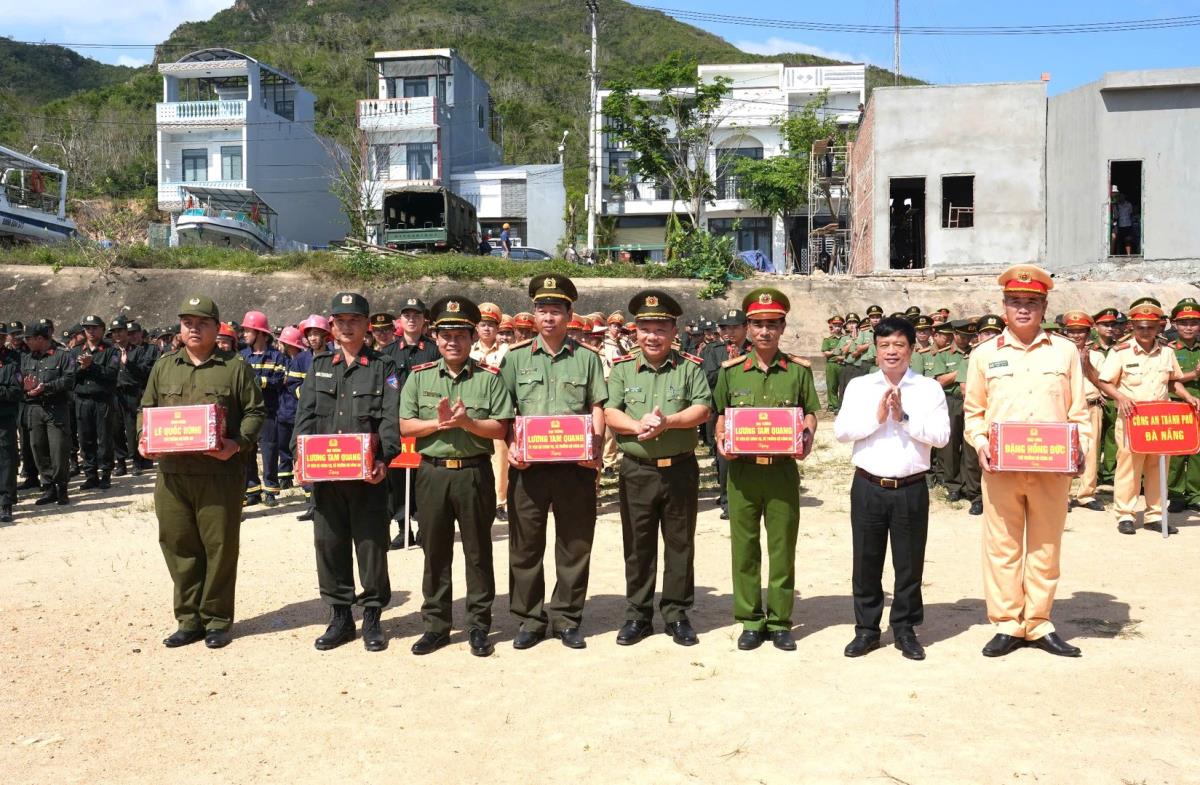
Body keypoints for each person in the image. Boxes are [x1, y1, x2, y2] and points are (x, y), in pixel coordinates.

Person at [964, 264, 1092, 658]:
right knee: (1002, 547)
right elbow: (974, 411)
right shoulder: (985, 354)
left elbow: (1079, 412)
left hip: (1052, 469)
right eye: (1016, 301)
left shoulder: (1065, 352)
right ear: (1003, 306)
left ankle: (1038, 622)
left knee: (1045, 546)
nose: (1023, 308)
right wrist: (981, 442)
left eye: (1032, 302)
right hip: (1001, 469)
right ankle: (1007, 622)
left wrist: (1081, 448)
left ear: (1044, 307)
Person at [138, 295, 266, 649]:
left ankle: (216, 620)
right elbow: (146, 408)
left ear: (216, 327)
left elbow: (256, 412)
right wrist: (143, 439)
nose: (194, 329)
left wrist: (237, 443)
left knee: (219, 547)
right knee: (178, 545)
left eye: (202, 323)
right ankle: (188, 620)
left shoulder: (235, 368)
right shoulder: (164, 367)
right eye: (188, 323)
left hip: (218, 474)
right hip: (173, 474)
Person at [399, 296, 514, 657]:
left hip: (473, 473)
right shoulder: (419, 377)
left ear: (472, 337)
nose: (453, 342)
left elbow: (500, 428)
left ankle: (479, 625)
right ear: (435, 337)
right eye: (446, 335)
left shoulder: (488, 379)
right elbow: (405, 425)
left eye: (461, 335)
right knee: (434, 551)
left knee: (478, 551)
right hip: (432, 473)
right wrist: (438, 423)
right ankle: (436, 625)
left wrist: (468, 422)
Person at [498, 274, 607, 650]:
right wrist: (513, 446)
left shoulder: (587, 358)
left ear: (569, 315)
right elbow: (504, 411)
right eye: (542, 309)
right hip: (529, 469)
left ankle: (566, 617)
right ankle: (530, 618)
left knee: (575, 543)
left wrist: (595, 448)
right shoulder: (515, 358)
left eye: (556, 310)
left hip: (575, 469)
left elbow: (597, 406)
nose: (548, 317)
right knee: (525, 546)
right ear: (534, 314)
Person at [834, 316, 949, 660]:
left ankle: (905, 629)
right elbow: (842, 432)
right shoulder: (860, 386)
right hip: (868, 485)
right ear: (875, 349)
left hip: (910, 488)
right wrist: (878, 417)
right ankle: (866, 630)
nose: (891, 351)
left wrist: (904, 418)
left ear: (911, 349)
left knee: (909, 563)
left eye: (899, 344)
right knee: (865, 561)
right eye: (884, 345)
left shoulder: (928, 389)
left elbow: (941, 437)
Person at [713, 287, 820, 652]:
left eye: (772, 324)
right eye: (757, 324)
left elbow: (810, 412)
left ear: (783, 327)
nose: (764, 331)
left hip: (781, 472)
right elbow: (721, 414)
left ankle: (779, 621)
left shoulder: (798, 371)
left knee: (782, 547)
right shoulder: (731, 372)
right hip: (742, 473)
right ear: (747, 328)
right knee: (744, 548)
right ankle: (750, 619)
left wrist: (807, 435)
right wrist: (721, 437)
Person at [294, 292, 401, 652]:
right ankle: (340, 617)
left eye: (354, 320)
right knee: (329, 544)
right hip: (326, 478)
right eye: (341, 320)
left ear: (366, 324)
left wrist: (384, 459)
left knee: (371, 547)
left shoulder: (383, 367)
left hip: (368, 478)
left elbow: (390, 419)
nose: (347, 326)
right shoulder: (320, 365)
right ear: (332, 325)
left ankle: (372, 617)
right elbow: (305, 416)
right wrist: (298, 457)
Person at [604, 290, 712, 647]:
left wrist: (669, 423)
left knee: (680, 543)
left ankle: (677, 613)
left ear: (673, 331)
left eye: (661, 329)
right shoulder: (622, 369)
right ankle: (637, 614)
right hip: (637, 469)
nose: (653, 336)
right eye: (646, 328)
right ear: (635, 331)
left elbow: (702, 409)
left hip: (679, 469)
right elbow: (611, 411)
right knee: (638, 545)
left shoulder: (689, 367)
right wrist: (637, 426)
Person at [1092, 302, 1198, 535]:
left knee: (1158, 467)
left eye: (1151, 327)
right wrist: (1120, 397)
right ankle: (1125, 515)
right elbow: (1104, 381)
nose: (1146, 332)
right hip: (1132, 419)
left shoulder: (1167, 352)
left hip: (1160, 421)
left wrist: (1188, 396)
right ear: (1132, 326)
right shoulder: (1121, 352)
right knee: (1129, 468)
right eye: (1141, 327)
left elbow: (1173, 381)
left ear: (1159, 327)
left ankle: (1155, 515)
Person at [381, 297, 440, 549]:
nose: (412, 319)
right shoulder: (388, 352)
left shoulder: (434, 350)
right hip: (398, 424)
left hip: (426, 424)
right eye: (407, 315)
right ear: (400, 320)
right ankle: (403, 528)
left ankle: (426, 526)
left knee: (425, 477)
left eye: (416, 315)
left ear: (424, 319)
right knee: (397, 479)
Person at [701, 308, 751, 519]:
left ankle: (747, 497)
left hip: (747, 410)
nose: (729, 332)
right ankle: (727, 501)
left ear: (745, 328)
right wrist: (729, 365)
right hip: (721, 409)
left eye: (734, 327)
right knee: (723, 456)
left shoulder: (754, 349)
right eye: (724, 328)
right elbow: (708, 377)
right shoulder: (713, 350)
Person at [21, 321, 75, 506]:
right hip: (34, 408)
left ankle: (62, 488)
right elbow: (21, 382)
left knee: (59, 449)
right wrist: (27, 389)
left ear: (39, 338)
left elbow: (69, 380)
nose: (26, 342)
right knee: (38, 447)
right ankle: (48, 487)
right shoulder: (27, 359)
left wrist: (46, 387)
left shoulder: (62, 356)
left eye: (28, 338)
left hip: (56, 408)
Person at [1060, 311, 1107, 512]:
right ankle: (1062, 495)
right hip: (1067, 408)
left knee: (1091, 451)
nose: (1076, 335)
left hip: (1091, 405)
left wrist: (1086, 364)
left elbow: (1103, 383)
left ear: (1088, 333)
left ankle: (1086, 494)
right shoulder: (1059, 354)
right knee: (1065, 450)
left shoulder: (1097, 355)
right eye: (1072, 331)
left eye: (1080, 331)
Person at [239, 311, 287, 507]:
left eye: (248, 331)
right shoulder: (242, 356)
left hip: (269, 411)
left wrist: (260, 381)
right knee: (247, 451)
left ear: (260, 333)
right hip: (247, 412)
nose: (244, 334)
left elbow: (280, 380)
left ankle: (270, 491)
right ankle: (252, 490)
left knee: (269, 451)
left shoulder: (277, 357)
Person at [469, 302, 511, 521]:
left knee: (500, 459)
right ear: (476, 327)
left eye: (491, 325)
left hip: (497, 410)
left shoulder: (508, 351)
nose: (487, 329)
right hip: (474, 411)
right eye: (483, 324)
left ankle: (500, 502)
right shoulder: (468, 350)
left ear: (497, 328)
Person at [71, 314, 120, 491]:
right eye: (87, 328)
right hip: (83, 400)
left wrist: (92, 366)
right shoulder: (76, 351)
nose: (90, 331)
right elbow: (70, 375)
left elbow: (111, 374)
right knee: (85, 439)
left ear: (102, 330)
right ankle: (90, 475)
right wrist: (82, 368)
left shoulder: (111, 351)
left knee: (104, 438)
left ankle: (106, 473)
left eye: (94, 328)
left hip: (102, 400)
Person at [1166, 299, 1200, 513]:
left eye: (1193, 323)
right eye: (1184, 323)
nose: (1189, 327)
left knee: (1198, 453)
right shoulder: (1168, 350)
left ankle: (1195, 494)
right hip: (1177, 405)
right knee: (1177, 453)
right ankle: (1176, 494)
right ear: (1175, 325)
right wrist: (1195, 374)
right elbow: (1170, 380)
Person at [275, 325, 307, 492]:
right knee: (283, 445)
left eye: (283, 343)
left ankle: (304, 479)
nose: (280, 346)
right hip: (283, 409)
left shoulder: (302, 361)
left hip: (298, 411)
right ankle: (285, 477)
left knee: (298, 447)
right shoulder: (282, 360)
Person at [0, 340, 20, 522]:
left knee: (6, 459)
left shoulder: (11, 364)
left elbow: (16, 391)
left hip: (4, 418)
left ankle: (6, 502)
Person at [821, 315, 845, 412]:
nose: (837, 327)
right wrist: (835, 351)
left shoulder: (846, 338)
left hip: (843, 364)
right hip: (832, 364)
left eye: (839, 325)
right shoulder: (828, 340)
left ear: (842, 326)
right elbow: (825, 353)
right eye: (835, 325)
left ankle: (841, 405)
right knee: (832, 386)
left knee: (843, 386)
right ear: (832, 326)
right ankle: (834, 406)